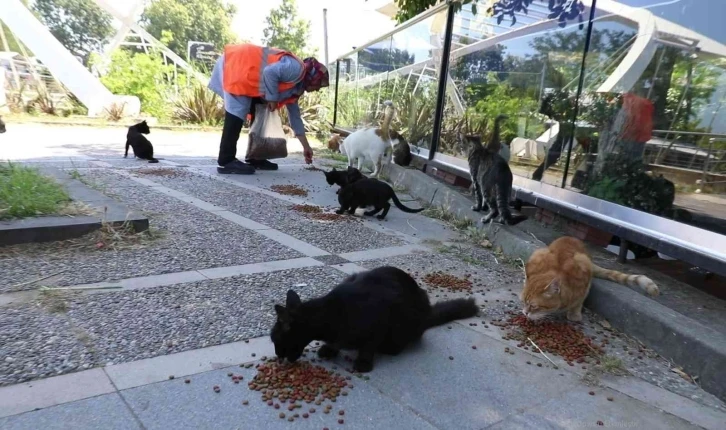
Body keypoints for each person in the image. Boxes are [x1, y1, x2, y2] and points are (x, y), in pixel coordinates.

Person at [208, 43, 329, 174]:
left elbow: (295, 118)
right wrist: (272, 99)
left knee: (261, 112)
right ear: (313, 76)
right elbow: (269, 72)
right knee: (237, 111)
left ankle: (256, 157)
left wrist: (306, 147)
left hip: (245, 73)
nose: (317, 89)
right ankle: (226, 161)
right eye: (319, 84)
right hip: (237, 65)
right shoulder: (296, 69)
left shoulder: (296, 87)